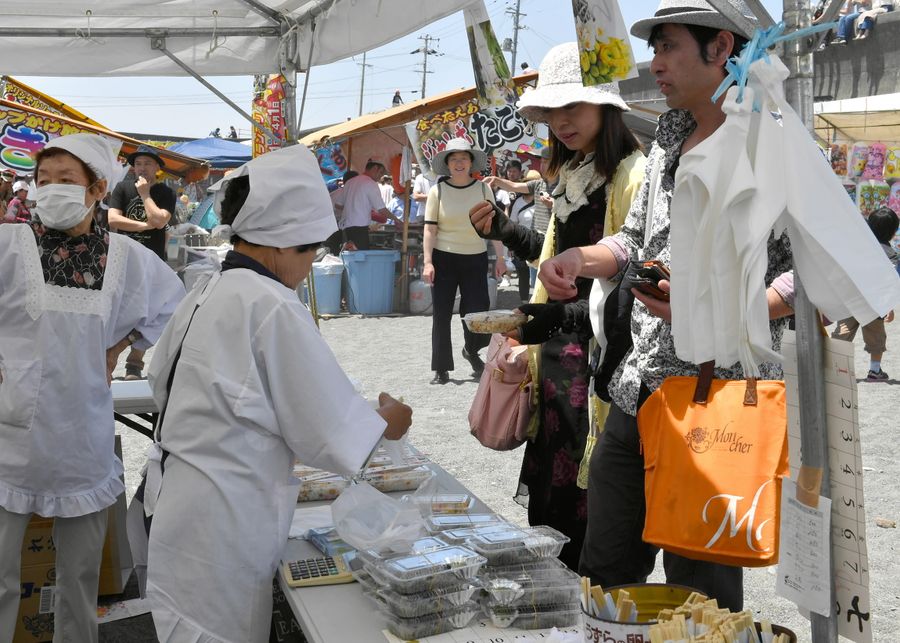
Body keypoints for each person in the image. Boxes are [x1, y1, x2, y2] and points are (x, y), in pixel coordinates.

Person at [534, 2, 795, 610]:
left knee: (698, 592)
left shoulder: (769, 146)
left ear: (721, 48)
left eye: (668, 46)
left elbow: (803, 281)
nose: (655, 64)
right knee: (604, 573)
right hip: (637, 389)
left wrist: (717, 314)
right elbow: (638, 243)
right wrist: (584, 259)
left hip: (717, 399)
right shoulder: (670, 139)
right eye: (653, 49)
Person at [142, 144, 412, 643]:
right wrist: (391, 417)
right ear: (282, 243)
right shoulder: (270, 303)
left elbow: (161, 381)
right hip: (225, 512)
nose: (310, 265)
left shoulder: (208, 286)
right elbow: (327, 432)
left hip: (181, 496)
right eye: (309, 251)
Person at [468, 42, 645, 570]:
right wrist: (505, 232)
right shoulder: (574, 173)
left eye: (573, 107)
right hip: (558, 364)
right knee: (559, 507)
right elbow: (557, 257)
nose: (560, 121)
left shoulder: (632, 175)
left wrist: (560, 317)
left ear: (605, 107)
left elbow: (632, 283)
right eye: (552, 111)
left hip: (600, 365)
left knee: (600, 515)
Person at [0, 133, 184, 643]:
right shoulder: (9, 244)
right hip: (9, 437)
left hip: (82, 434)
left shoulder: (126, 258)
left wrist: (121, 344)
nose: (50, 190)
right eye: (43, 181)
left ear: (98, 188)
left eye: (66, 180)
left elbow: (174, 305)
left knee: (80, 580)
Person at [424, 138, 507, 385]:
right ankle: (441, 369)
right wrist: (428, 262)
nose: (459, 163)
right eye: (454, 159)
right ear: (447, 164)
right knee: (441, 314)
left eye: (464, 158)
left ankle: (471, 351)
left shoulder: (483, 189)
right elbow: (430, 230)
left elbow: (494, 227)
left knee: (477, 312)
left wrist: (501, 258)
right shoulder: (437, 191)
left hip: (475, 258)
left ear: (471, 162)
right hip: (443, 259)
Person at [108, 144, 177, 380]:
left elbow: (160, 220)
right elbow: (113, 219)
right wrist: (145, 225)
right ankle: (111, 355)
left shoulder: (165, 193)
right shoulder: (122, 188)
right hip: (124, 260)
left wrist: (146, 194)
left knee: (154, 310)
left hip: (154, 262)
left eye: (147, 163)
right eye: (138, 164)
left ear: (157, 168)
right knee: (121, 310)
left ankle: (134, 361)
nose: (142, 168)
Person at [832, 206, 899, 380]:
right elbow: (889, 284)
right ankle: (875, 371)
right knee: (876, 338)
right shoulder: (892, 256)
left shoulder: (858, 249)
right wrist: (889, 306)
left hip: (850, 300)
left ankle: (835, 371)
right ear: (893, 233)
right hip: (874, 305)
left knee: (842, 334)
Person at [332, 160, 396, 249]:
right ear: (375, 168)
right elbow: (381, 209)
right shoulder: (370, 183)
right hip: (359, 228)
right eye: (381, 172)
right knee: (359, 256)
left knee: (349, 257)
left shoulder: (350, 182)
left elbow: (338, 205)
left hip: (345, 228)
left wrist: (352, 208)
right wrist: (396, 220)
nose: (381, 176)